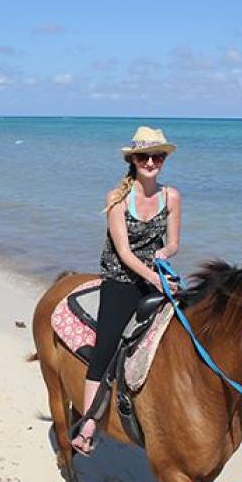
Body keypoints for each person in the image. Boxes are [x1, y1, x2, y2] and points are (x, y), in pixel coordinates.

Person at [69, 126, 182, 456]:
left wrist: (166, 253)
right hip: (121, 277)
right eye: (144, 156)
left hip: (156, 274)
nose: (151, 162)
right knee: (105, 346)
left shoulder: (171, 196)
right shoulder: (117, 197)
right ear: (133, 160)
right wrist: (155, 279)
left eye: (157, 156)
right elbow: (124, 252)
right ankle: (89, 422)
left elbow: (174, 242)